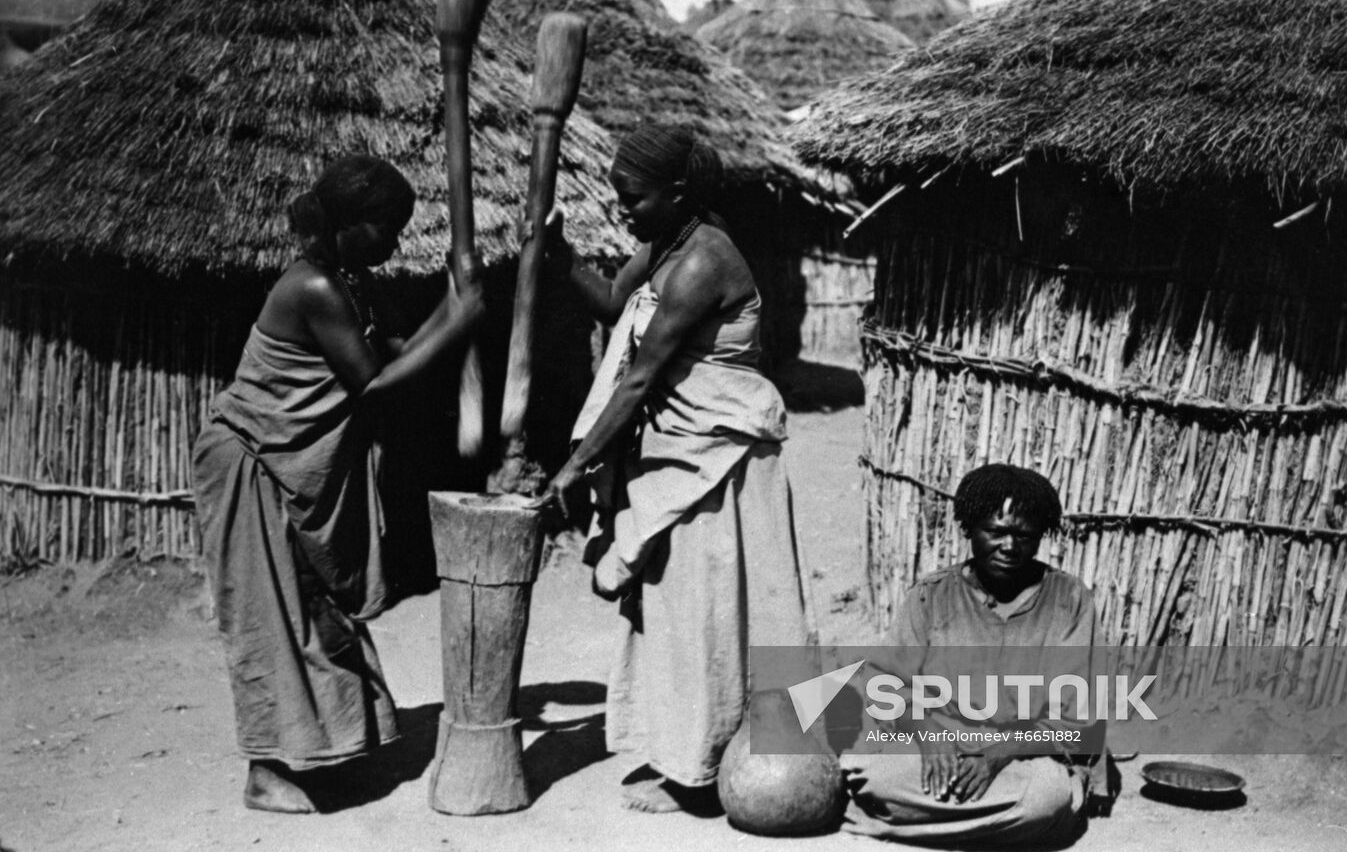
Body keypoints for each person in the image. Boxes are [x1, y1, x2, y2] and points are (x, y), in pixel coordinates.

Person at [192, 155, 483, 814]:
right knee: (272, 618)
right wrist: (458, 320)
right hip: (254, 464)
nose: (396, 243)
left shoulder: (352, 280)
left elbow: (401, 348)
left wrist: (456, 308)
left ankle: (323, 754)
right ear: (350, 224)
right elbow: (374, 386)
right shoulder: (312, 288)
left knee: (316, 612)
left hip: (287, 465)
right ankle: (265, 772)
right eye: (388, 228)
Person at [533, 124, 811, 813]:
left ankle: (703, 772)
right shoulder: (667, 244)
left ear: (678, 193)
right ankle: (693, 752)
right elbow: (609, 303)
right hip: (681, 450)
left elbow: (638, 379)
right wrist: (561, 256)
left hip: (718, 459)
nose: (621, 208)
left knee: (714, 608)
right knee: (678, 607)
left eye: (632, 197)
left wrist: (571, 471)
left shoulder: (702, 262)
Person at [841, 464, 1110, 847]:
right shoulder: (930, 596)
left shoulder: (1070, 601)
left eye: (1024, 535)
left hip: (1022, 757)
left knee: (1045, 797)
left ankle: (893, 822)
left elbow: (1075, 719)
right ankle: (995, 826)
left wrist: (999, 753)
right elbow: (886, 686)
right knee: (870, 772)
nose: (1010, 547)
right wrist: (927, 733)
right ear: (969, 528)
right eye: (996, 532)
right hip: (938, 751)